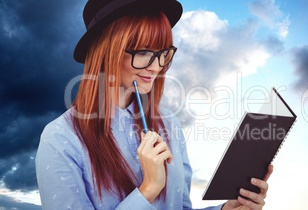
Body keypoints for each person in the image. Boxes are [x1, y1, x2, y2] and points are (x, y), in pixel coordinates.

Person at [35, 0, 274, 209]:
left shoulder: (169, 124)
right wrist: (148, 189)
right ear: (107, 52)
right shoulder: (60, 138)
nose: (156, 66)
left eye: (163, 53)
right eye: (143, 52)